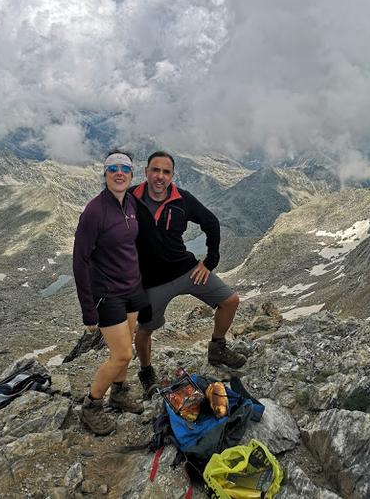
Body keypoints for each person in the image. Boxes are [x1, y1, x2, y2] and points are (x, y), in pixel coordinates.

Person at [130, 151, 246, 398]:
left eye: (166, 172)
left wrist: (210, 261)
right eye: (155, 170)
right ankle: (145, 370)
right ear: (146, 172)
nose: (160, 176)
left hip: (187, 270)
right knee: (145, 329)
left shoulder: (182, 199)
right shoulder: (130, 198)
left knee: (230, 301)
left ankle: (217, 347)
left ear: (172, 175)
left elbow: (211, 223)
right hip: (152, 281)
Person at [73, 151, 148, 435]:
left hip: (131, 288)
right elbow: (79, 261)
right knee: (121, 355)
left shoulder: (130, 202)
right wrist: (88, 309)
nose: (119, 173)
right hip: (107, 294)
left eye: (125, 168)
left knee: (127, 343)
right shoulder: (94, 212)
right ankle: (91, 406)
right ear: (104, 174)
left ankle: (119, 392)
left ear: (131, 174)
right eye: (113, 168)